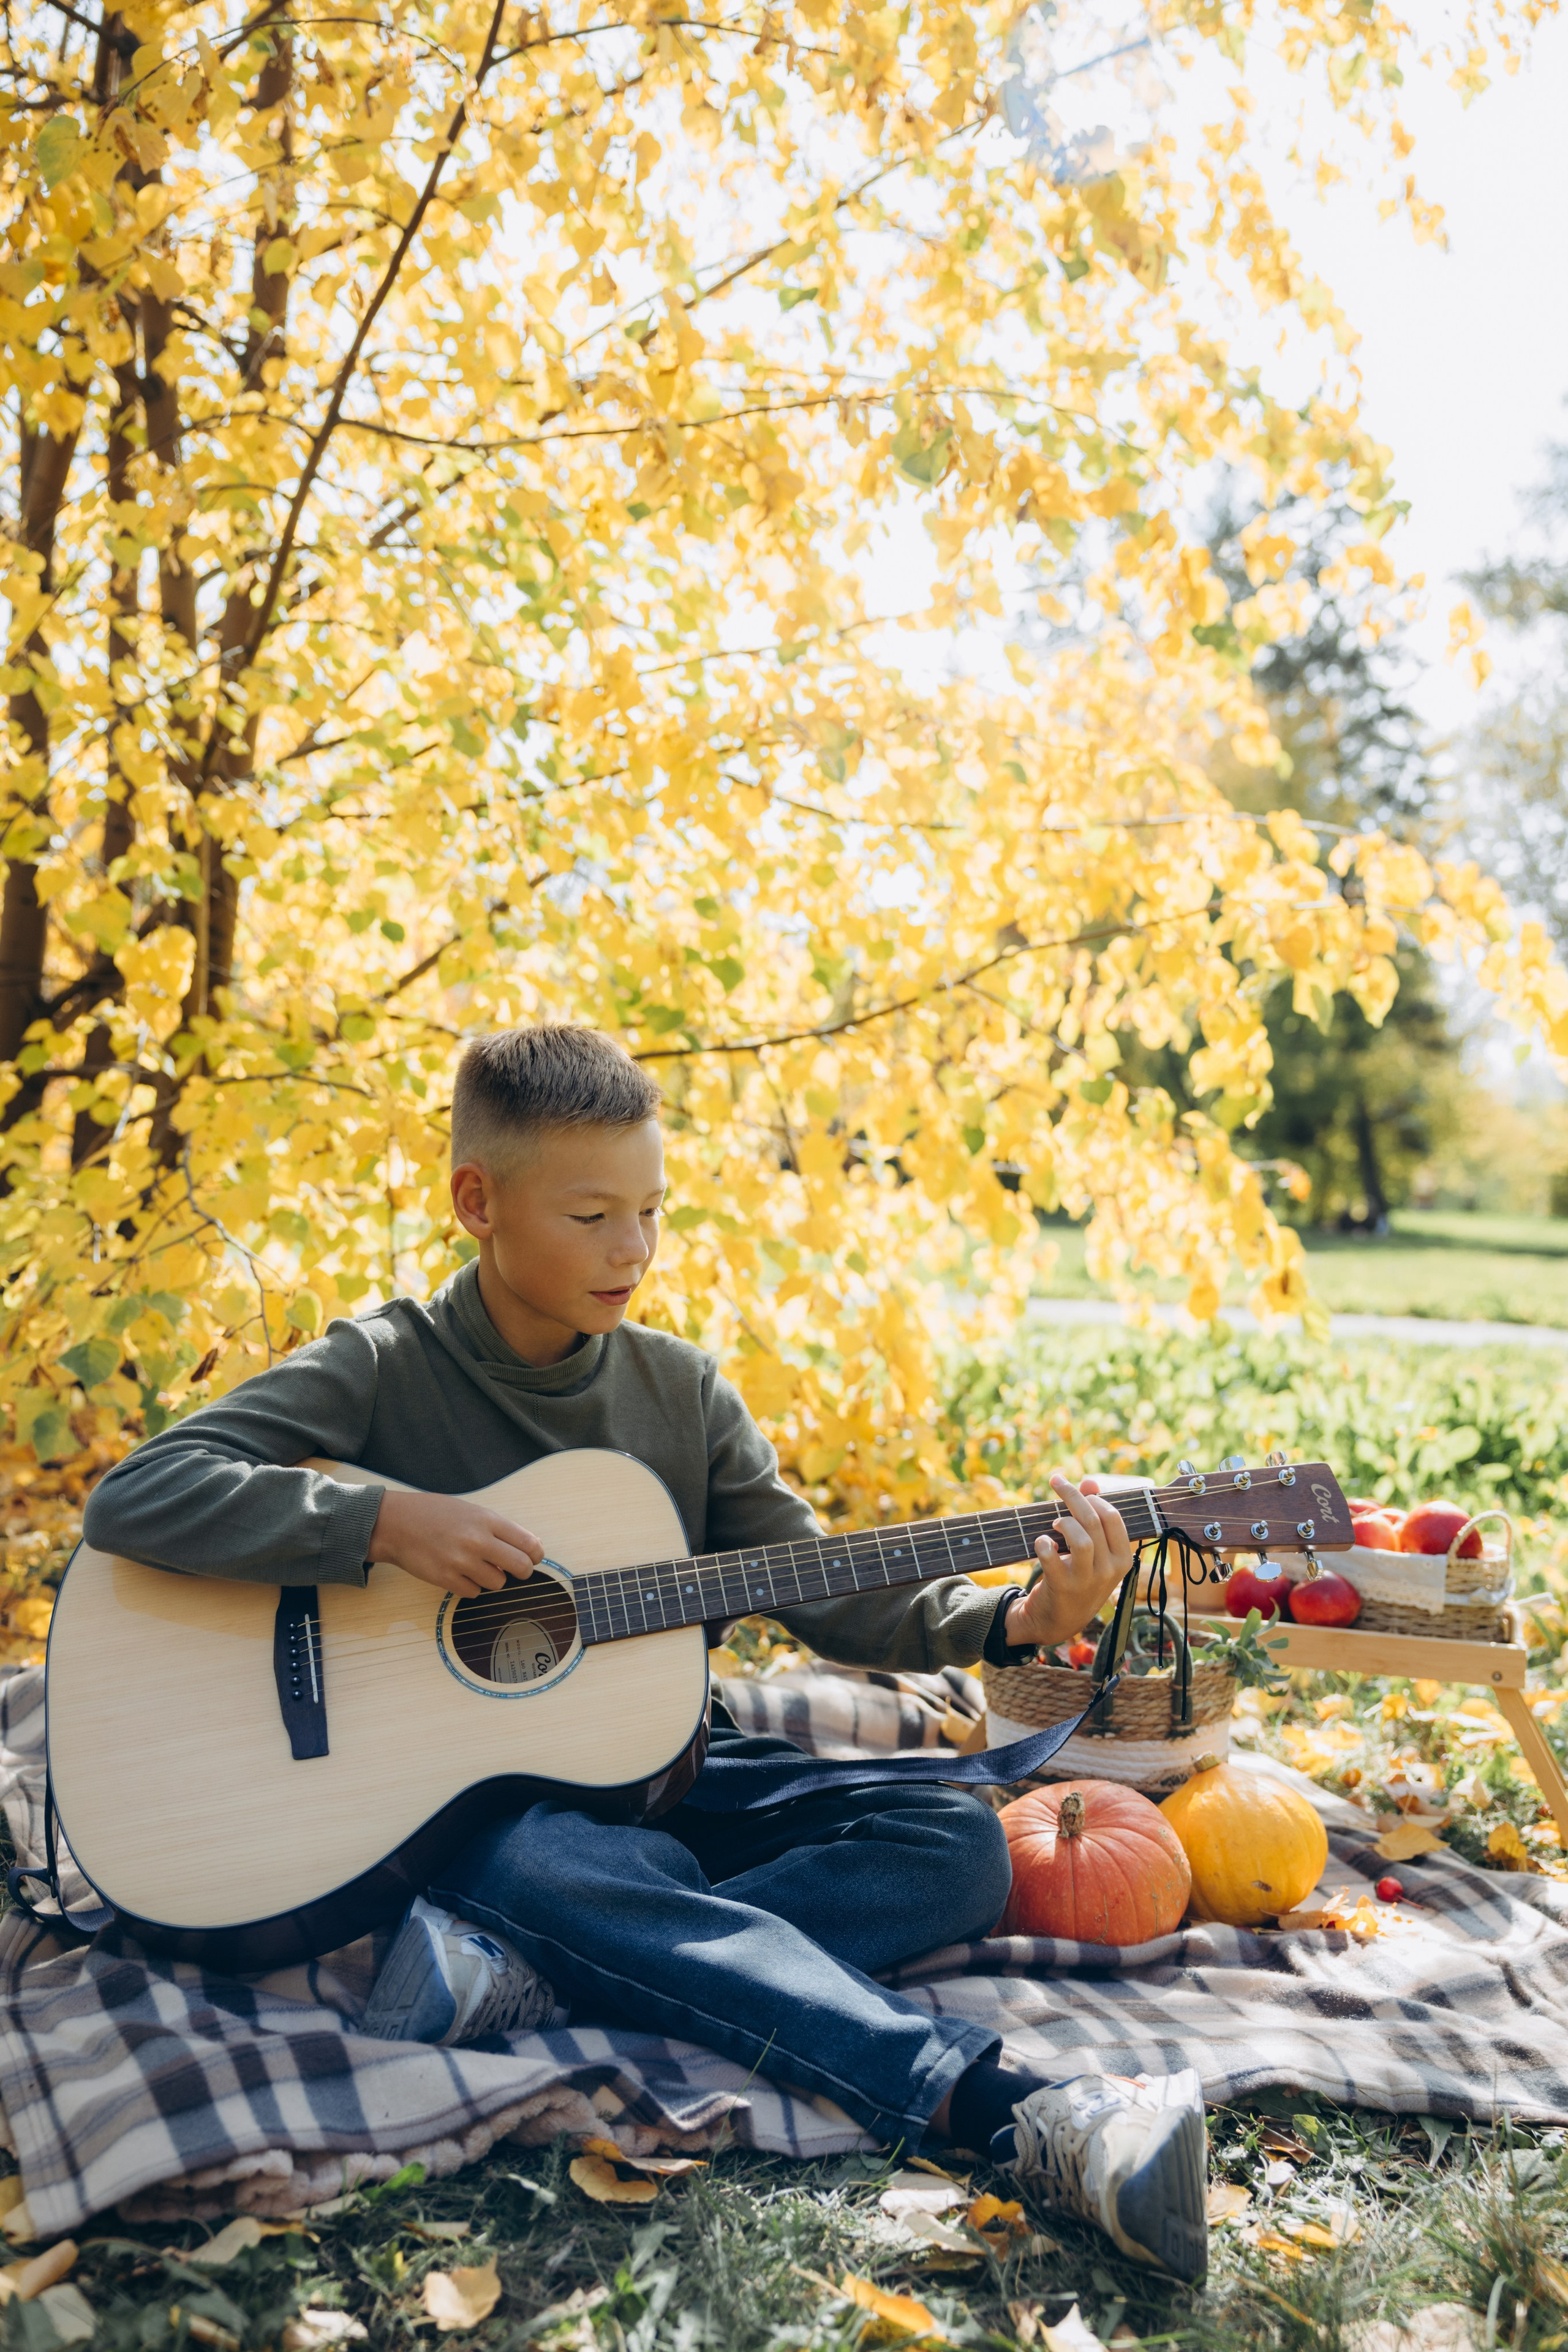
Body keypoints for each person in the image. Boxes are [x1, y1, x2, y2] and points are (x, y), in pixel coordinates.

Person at [83, 1025, 1208, 2284]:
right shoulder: (385, 1366)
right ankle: (1011, 2109)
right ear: (477, 1203)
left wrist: (1017, 1620)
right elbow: (139, 1494)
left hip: (664, 1773)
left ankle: (540, 1963)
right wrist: (383, 1524)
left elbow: (822, 1585)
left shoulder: (678, 1392)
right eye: (592, 1216)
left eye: (652, 1211)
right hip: (478, 1823)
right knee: (547, 1864)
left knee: (953, 1845)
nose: (634, 1249)